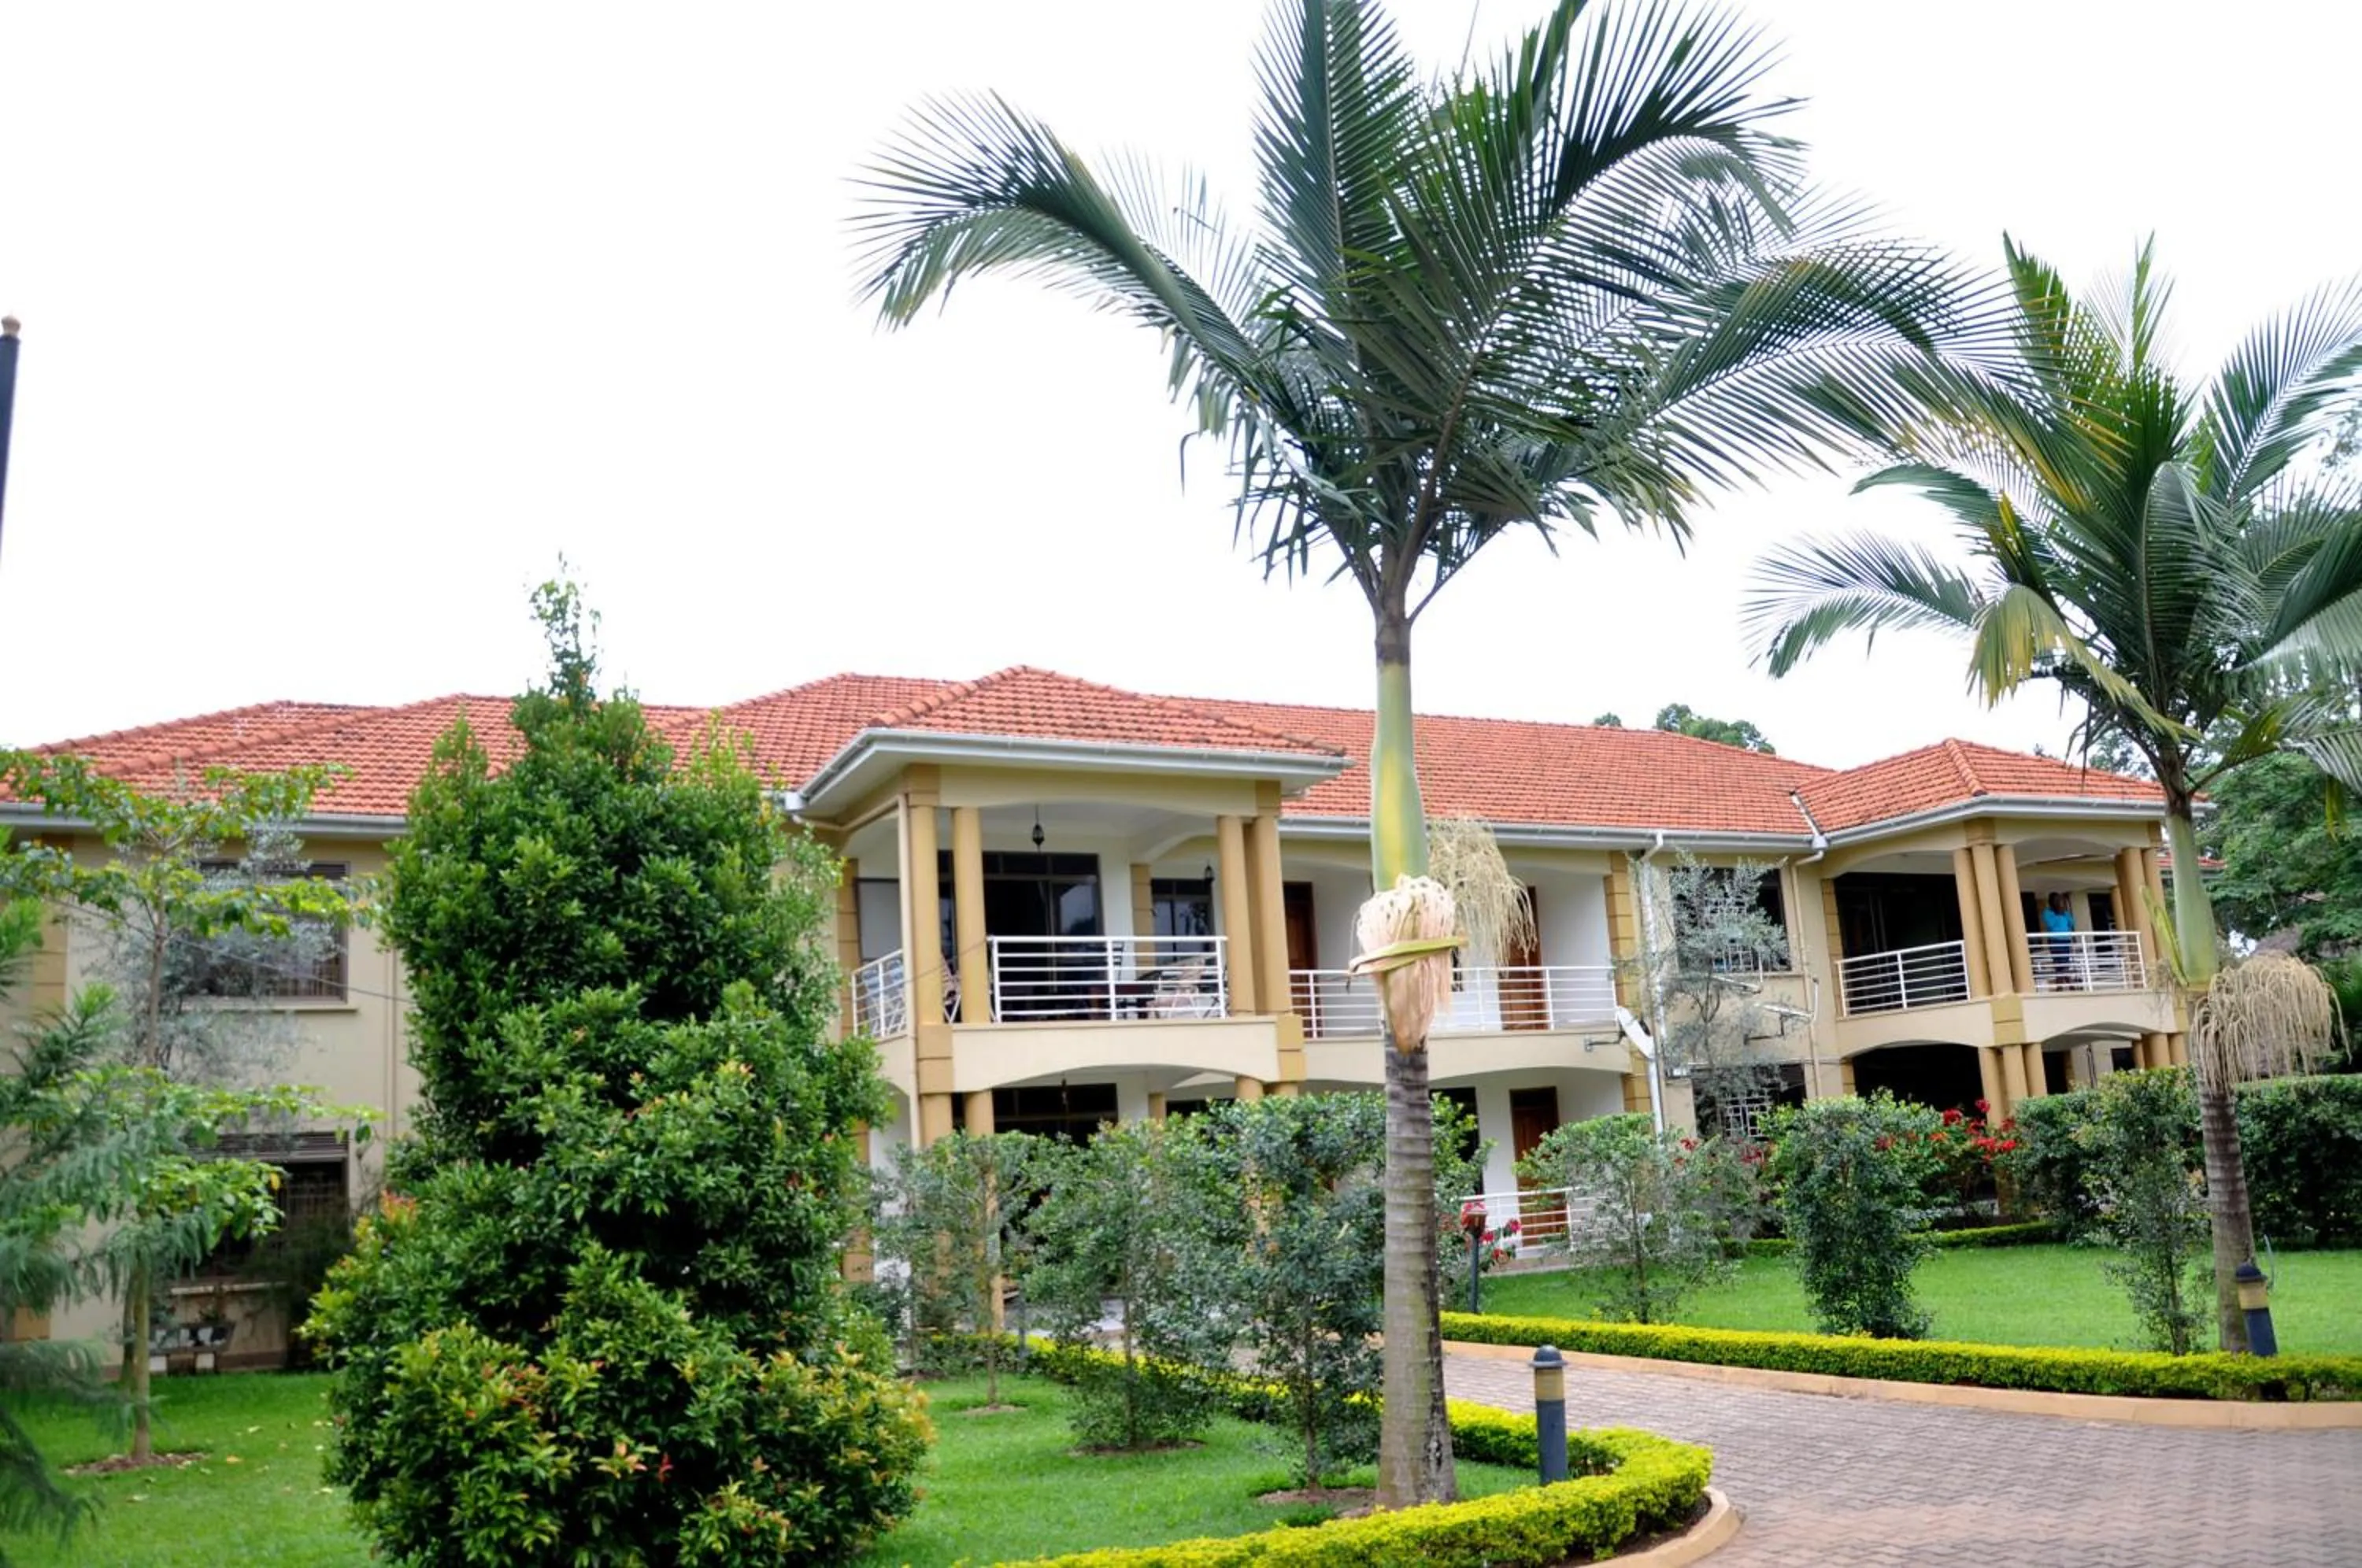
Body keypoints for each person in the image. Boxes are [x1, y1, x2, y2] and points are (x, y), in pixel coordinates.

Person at [2040, 893, 2078, 989]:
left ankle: (2060, 984)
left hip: (2066, 940)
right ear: (2052, 901)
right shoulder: (2047, 912)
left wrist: (2064, 912)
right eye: (2057, 900)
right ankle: (2068, 983)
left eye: (2060, 900)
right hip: (2055, 941)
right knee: (2058, 962)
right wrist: (2059, 915)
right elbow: (2051, 925)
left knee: (2065, 962)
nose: (2059, 902)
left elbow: (2072, 923)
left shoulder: (2065, 912)